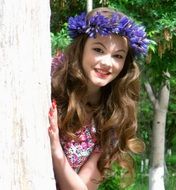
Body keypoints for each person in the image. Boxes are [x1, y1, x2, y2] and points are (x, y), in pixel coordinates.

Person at [48, 7, 149, 190]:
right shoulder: (48, 82)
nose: (107, 62)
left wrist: (56, 150)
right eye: (98, 50)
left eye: (118, 56)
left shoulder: (113, 119)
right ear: (81, 48)